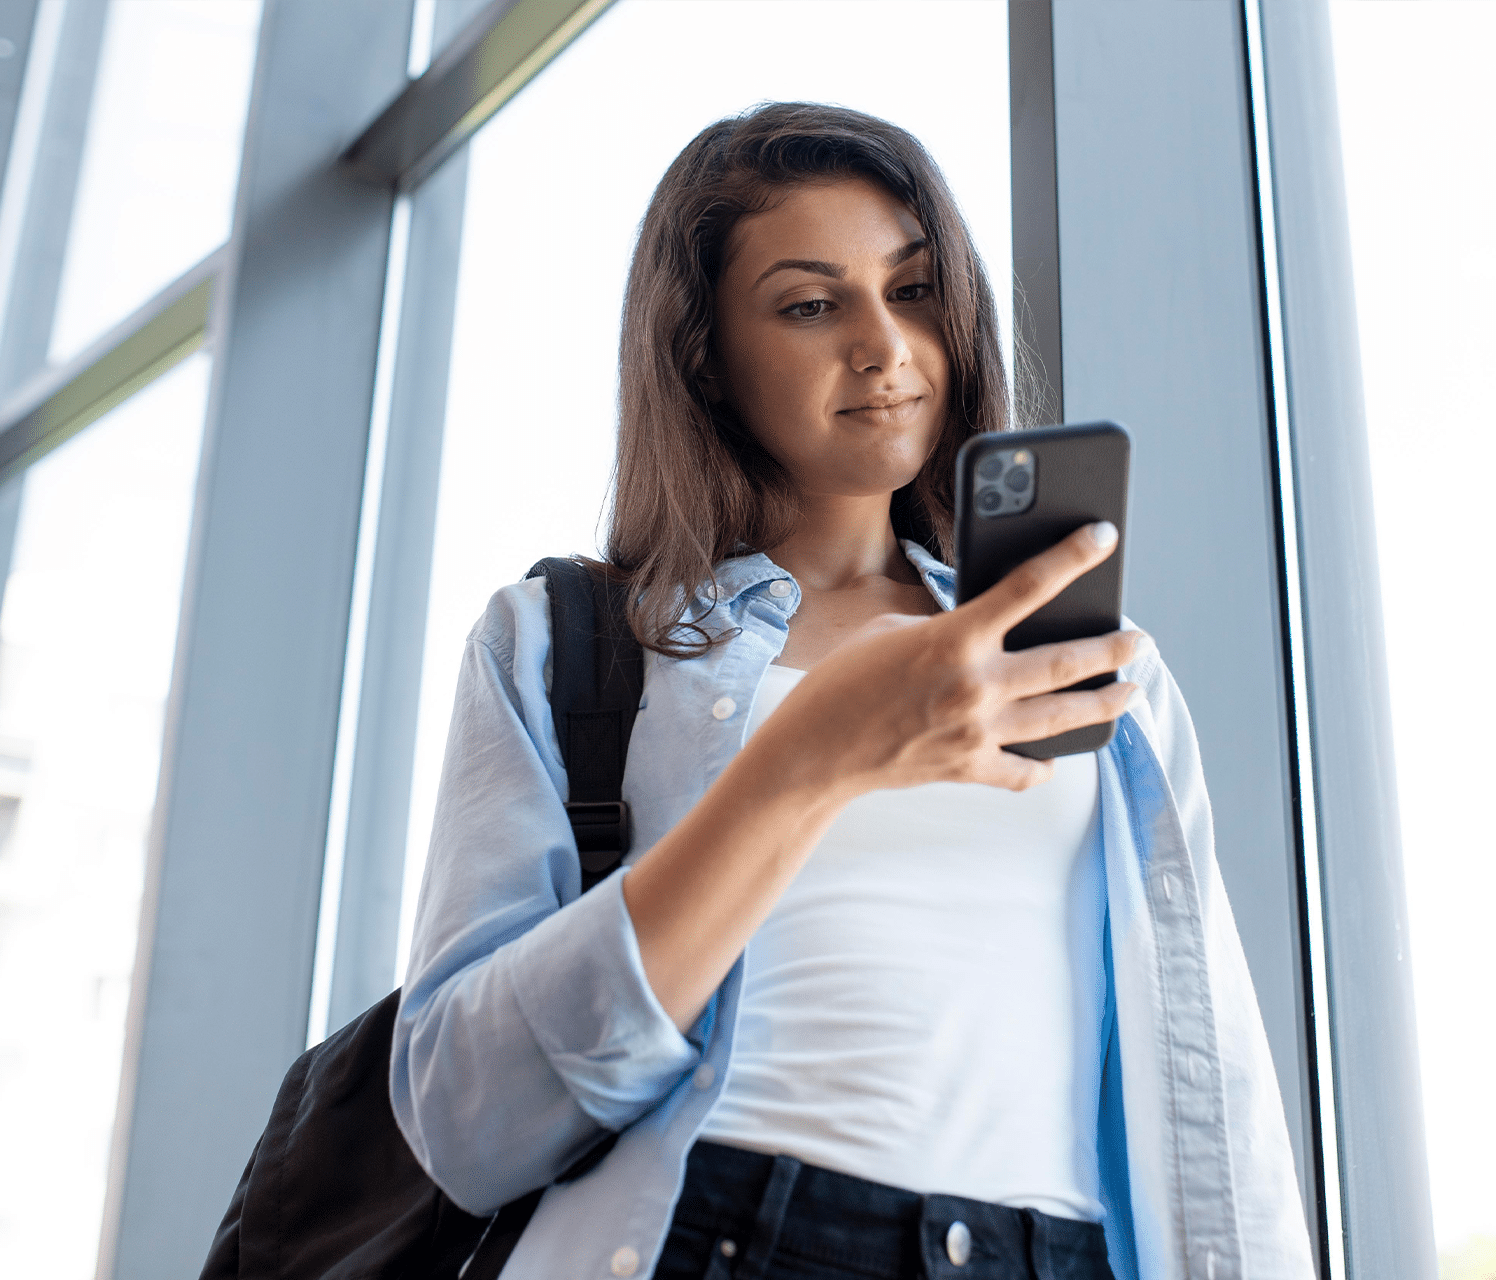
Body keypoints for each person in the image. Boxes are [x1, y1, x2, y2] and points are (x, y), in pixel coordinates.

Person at [390, 103, 1311, 1280]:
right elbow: (466, 1121)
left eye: (916, 288)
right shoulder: (558, 644)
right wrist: (805, 758)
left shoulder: (1096, 663)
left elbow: (1213, 1090)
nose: (885, 346)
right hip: (719, 1232)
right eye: (812, 303)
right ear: (704, 354)